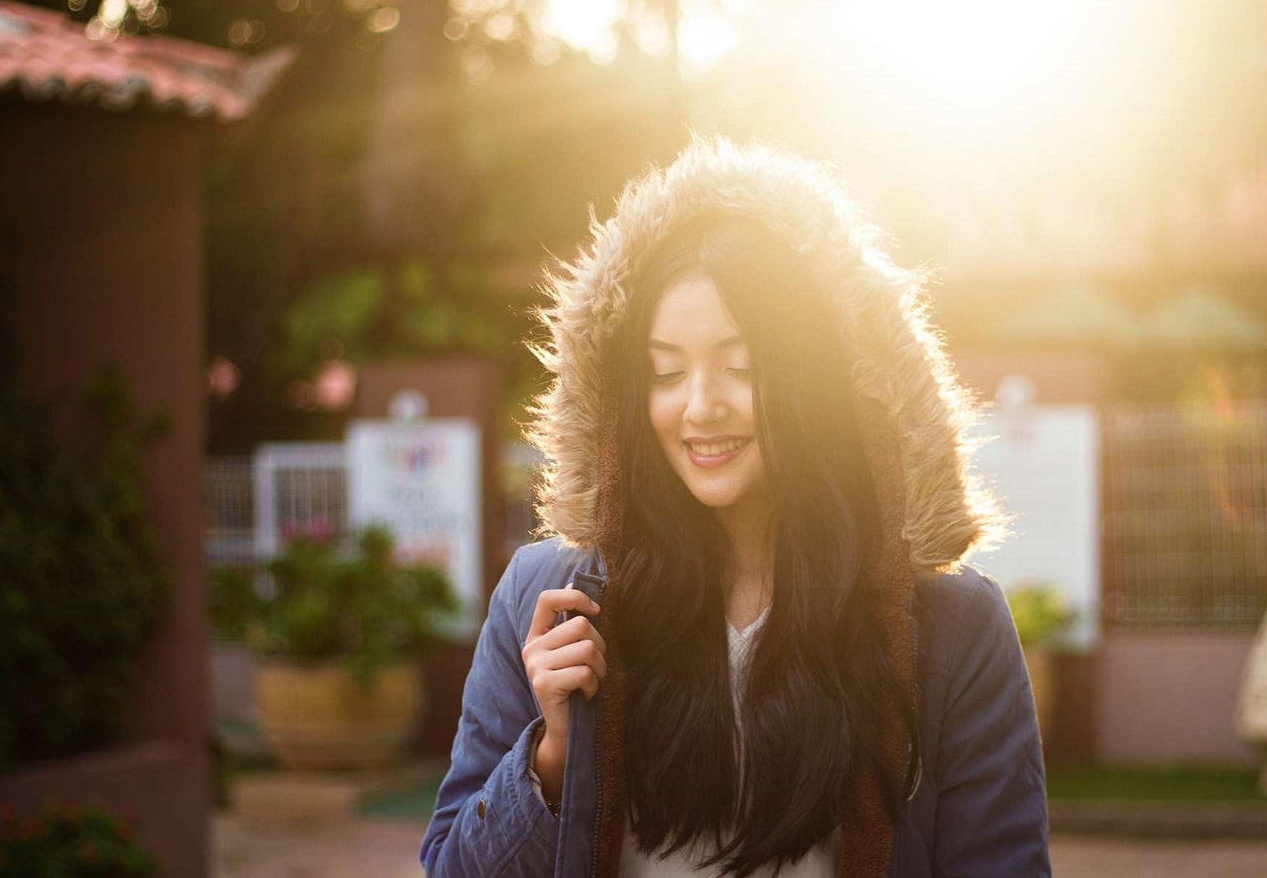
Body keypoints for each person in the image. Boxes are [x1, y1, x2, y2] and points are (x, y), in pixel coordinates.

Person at [419, 139, 1051, 877]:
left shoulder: (954, 629)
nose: (700, 406)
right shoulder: (547, 602)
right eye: (666, 371)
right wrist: (551, 755)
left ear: (814, 381)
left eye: (741, 366)